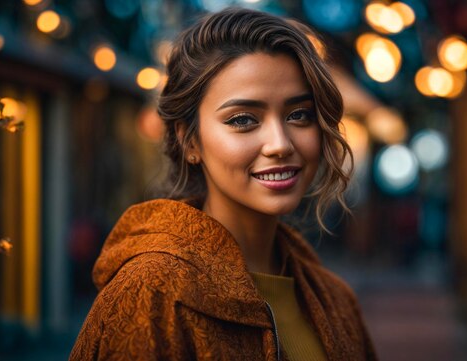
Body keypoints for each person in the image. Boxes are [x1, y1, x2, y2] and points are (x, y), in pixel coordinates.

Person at [70, 7, 377, 361]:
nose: (280, 143)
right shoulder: (150, 293)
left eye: (299, 115)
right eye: (243, 119)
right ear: (190, 141)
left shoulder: (335, 300)